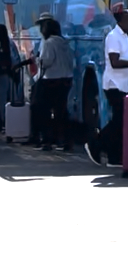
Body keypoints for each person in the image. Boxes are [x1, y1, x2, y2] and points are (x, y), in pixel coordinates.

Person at [85, 9, 128, 167]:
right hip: (113, 84)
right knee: (119, 120)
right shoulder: (114, 37)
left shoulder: (125, 37)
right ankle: (96, 144)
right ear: (122, 21)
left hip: (122, 85)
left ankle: (113, 156)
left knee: (121, 121)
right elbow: (115, 62)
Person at [30, 13, 75, 151]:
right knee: (61, 111)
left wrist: (36, 60)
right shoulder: (64, 42)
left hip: (50, 80)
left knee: (42, 111)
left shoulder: (49, 43)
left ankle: (47, 140)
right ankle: (64, 141)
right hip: (66, 79)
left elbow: (46, 61)